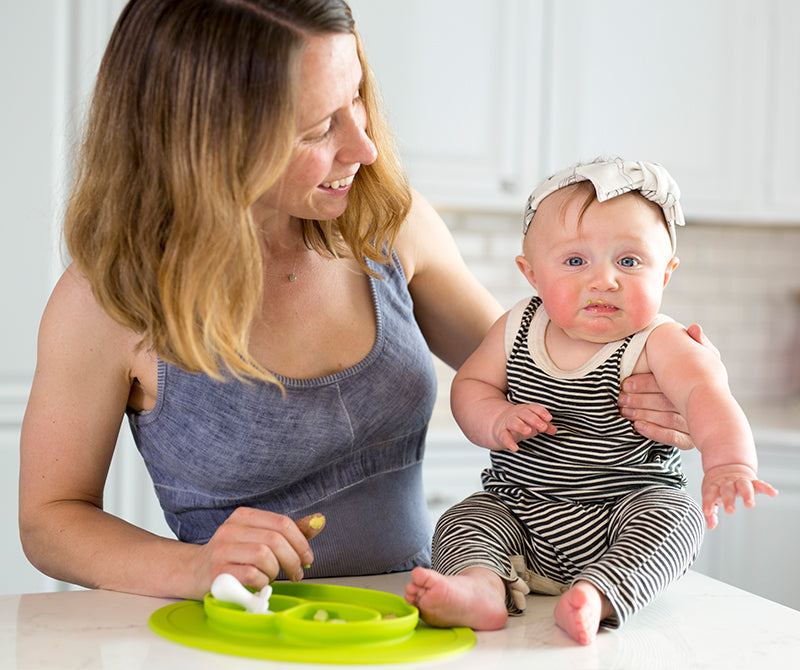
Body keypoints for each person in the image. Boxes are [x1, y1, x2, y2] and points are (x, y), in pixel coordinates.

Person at [19, 1, 705, 603]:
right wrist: (192, 566)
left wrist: (656, 385)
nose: (365, 146)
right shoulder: (108, 300)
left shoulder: (390, 228)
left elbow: (536, 372)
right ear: (204, 140)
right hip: (246, 639)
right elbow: (50, 518)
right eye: (318, 128)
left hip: (421, 619)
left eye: (359, 100)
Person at [404, 159, 778, 645]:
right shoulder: (518, 326)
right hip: (521, 511)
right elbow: (470, 386)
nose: (605, 280)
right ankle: (481, 587)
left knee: (678, 519)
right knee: (465, 517)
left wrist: (729, 462)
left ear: (665, 274)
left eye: (629, 261)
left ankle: (598, 594)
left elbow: (706, 394)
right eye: (576, 261)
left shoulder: (658, 341)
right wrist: (496, 417)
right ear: (532, 274)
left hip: (626, 509)